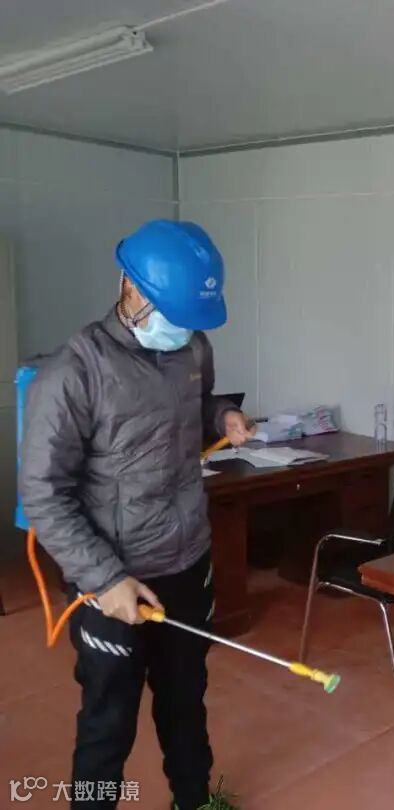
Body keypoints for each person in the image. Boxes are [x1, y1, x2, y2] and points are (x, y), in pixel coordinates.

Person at [20, 220, 254, 810]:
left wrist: (221, 416)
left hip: (187, 561)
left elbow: (194, 406)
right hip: (114, 577)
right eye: (173, 312)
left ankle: (194, 801)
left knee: (186, 701)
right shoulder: (73, 373)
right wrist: (105, 579)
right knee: (108, 720)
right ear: (130, 287)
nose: (183, 328)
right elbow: (45, 494)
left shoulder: (193, 347)